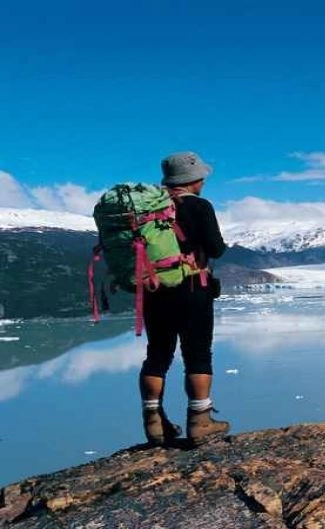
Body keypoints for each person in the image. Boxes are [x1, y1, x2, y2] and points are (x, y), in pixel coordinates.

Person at [140, 151, 229, 447]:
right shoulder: (199, 206)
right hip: (192, 288)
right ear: (194, 179)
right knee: (198, 353)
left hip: (154, 291)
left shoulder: (147, 209)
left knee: (158, 354)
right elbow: (216, 249)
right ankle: (200, 421)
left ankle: (154, 423)